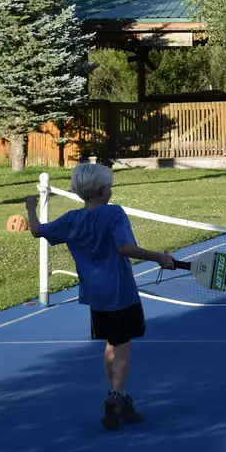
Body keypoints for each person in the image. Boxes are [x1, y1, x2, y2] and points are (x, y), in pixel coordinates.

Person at [24, 162, 176, 430]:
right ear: (103, 189)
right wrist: (158, 256)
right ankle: (116, 396)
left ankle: (119, 397)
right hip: (121, 292)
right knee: (124, 345)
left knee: (111, 343)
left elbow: (37, 230)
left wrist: (31, 208)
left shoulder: (71, 219)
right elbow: (124, 247)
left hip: (95, 296)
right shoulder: (114, 213)